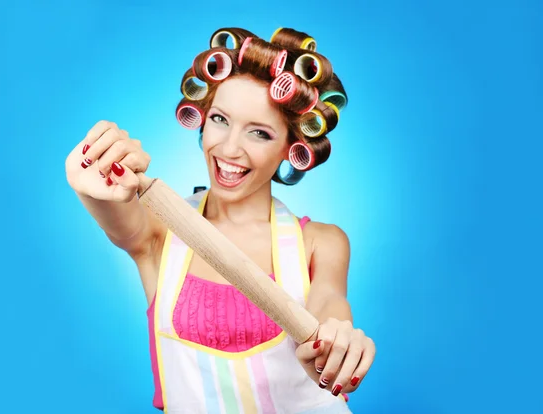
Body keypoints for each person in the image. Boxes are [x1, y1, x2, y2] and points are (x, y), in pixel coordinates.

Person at [65, 27, 376, 413]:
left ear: (290, 147)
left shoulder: (320, 241)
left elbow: (330, 306)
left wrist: (338, 341)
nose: (229, 148)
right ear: (201, 119)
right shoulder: (160, 229)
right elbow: (115, 210)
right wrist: (90, 179)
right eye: (220, 119)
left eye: (259, 133)